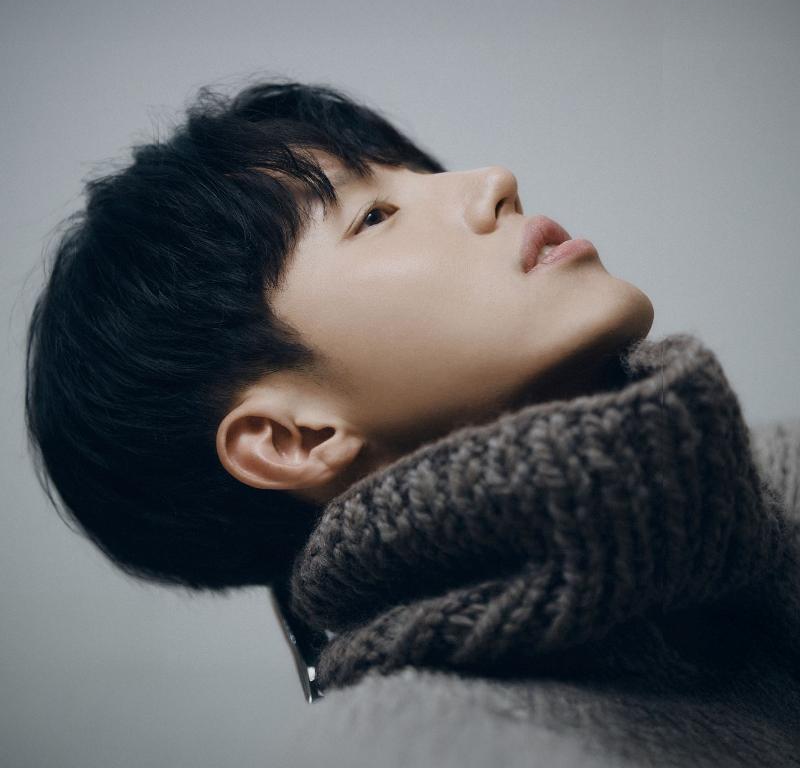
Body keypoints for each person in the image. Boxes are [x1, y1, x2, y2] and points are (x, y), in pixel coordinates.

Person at [24, 78, 800, 766]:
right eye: (374, 215)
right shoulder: (411, 748)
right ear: (294, 438)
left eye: (421, 175)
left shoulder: (776, 495)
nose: (495, 181)